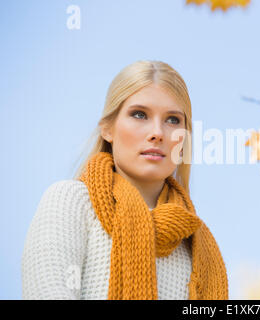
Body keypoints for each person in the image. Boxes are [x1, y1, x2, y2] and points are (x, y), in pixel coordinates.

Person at [21, 60, 228, 300]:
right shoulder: (70, 202)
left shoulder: (194, 241)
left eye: (172, 120)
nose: (157, 133)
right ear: (108, 129)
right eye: (139, 115)